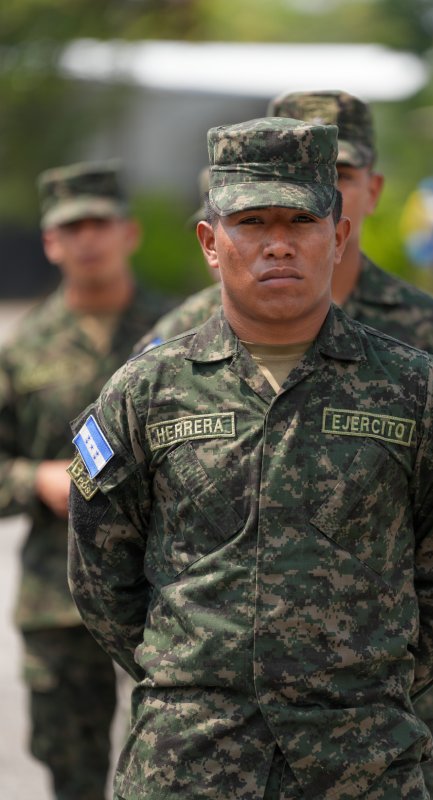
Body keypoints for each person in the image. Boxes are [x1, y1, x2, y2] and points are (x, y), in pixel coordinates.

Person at [68, 117, 433, 800]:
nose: (277, 243)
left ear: (339, 236)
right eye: (251, 222)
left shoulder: (416, 389)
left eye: (301, 220)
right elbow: (100, 575)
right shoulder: (145, 391)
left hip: (359, 763)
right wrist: (193, 679)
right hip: (190, 764)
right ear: (210, 242)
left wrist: (363, 685)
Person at [0, 160, 173, 800]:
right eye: (72, 228)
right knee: (72, 773)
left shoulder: (176, 335)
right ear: (51, 242)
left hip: (168, 589)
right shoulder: (23, 349)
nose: (88, 239)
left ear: (129, 233)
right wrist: (34, 479)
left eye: (100, 223)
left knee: (174, 767)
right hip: (60, 597)